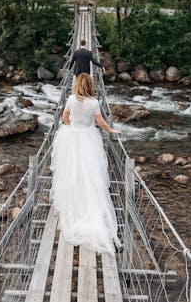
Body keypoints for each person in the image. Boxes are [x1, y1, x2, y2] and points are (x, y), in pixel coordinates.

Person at [49, 73, 122, 254]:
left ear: (76, 85)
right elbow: (101, 123)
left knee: (70, 171)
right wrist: (112, 130)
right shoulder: (94, 102)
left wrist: (74, 123)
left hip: (72, 137)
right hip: (89, 139)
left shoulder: (71, 99)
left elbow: (65, 119)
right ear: (90, 85)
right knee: (90, 173)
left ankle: (72, 204)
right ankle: (89, 207)